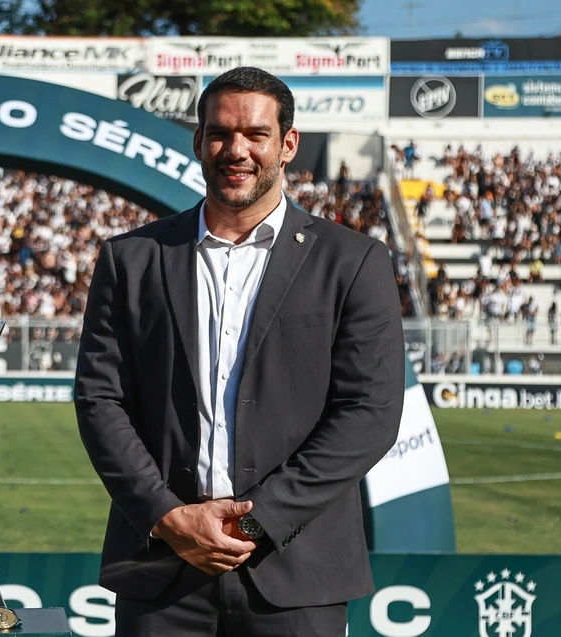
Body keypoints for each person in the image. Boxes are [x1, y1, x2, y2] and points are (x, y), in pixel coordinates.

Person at [74, 67, 404, 636]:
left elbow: (369, 414)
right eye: (221, 133)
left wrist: (256, 524)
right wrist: (168, 516)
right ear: (199, 142)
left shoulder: (352, 262)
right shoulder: (131, 259)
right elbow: (100, 399)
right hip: (161, 570)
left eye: (255, 134)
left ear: (287, 144)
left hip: (297, 572)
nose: (237, 150)